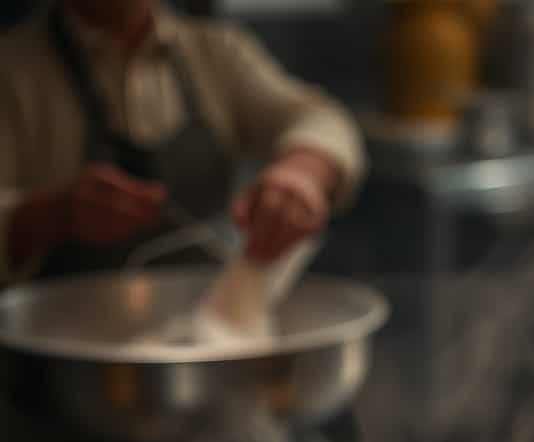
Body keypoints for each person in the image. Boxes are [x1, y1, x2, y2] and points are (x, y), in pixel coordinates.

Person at [0, 0, 365, 280]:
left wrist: (300, 173)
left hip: (208, 335)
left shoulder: (215, 51)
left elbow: (321, 118)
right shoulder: (13, 70)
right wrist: (52, 216)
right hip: (52, 345)